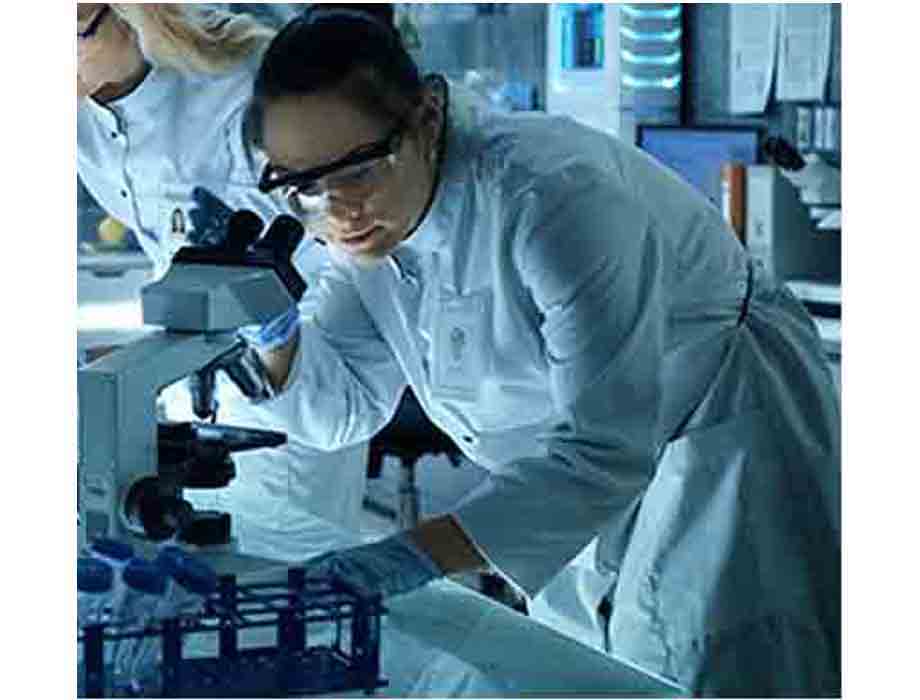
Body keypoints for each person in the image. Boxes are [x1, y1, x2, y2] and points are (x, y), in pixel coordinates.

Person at [242, 7, 842, 697]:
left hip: (716, 432)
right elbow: (340, 409)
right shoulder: (367, 235)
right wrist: (272, 332)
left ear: (427, 117)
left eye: (359, 169)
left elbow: (605, 449)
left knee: (712, 663)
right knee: (586, 670)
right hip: (566, 480)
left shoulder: (551, 198)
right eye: (304, 187)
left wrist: (413, 555)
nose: (338, 210)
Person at [76, 3, 370, 536]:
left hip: (307, 380)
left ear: (130, 12)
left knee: (290, 565)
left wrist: (277, 331)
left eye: (73, 35)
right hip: (189, 384)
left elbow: (355, 228)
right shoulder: (79, 116)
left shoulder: (242, 87)